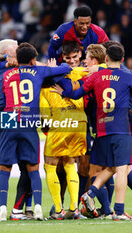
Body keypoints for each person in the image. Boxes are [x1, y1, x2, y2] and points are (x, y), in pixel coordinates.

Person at [0, 43, 72, 221]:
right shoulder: (38, 72)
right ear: (33, 60)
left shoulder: (5, 74)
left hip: (9, 118)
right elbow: (65, 68)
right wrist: (50, 67)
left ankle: (3, 209)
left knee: (4, 168)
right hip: (30, 120)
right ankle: (36, 208)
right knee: (33, 168)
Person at [52, 44, 132, 220]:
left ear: (106, 58)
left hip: (101, 131)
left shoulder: (96, 76)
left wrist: (64, 92)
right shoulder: (128, 77)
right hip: (121, 130)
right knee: (122, 169)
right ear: (123, 60)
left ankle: (89, 194)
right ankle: (118, 211)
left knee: (110, 167)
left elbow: (78, 93)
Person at [40, 41, 88, 220]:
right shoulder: (83, 72)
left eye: (74, 58)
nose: (71, 61)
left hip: (60, 123)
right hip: (79, 124)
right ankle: (74, 208)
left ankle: (59, 211)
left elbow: (44, 114)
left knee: (50, 165)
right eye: (69, 58)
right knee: (70, 163)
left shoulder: (46, 82)